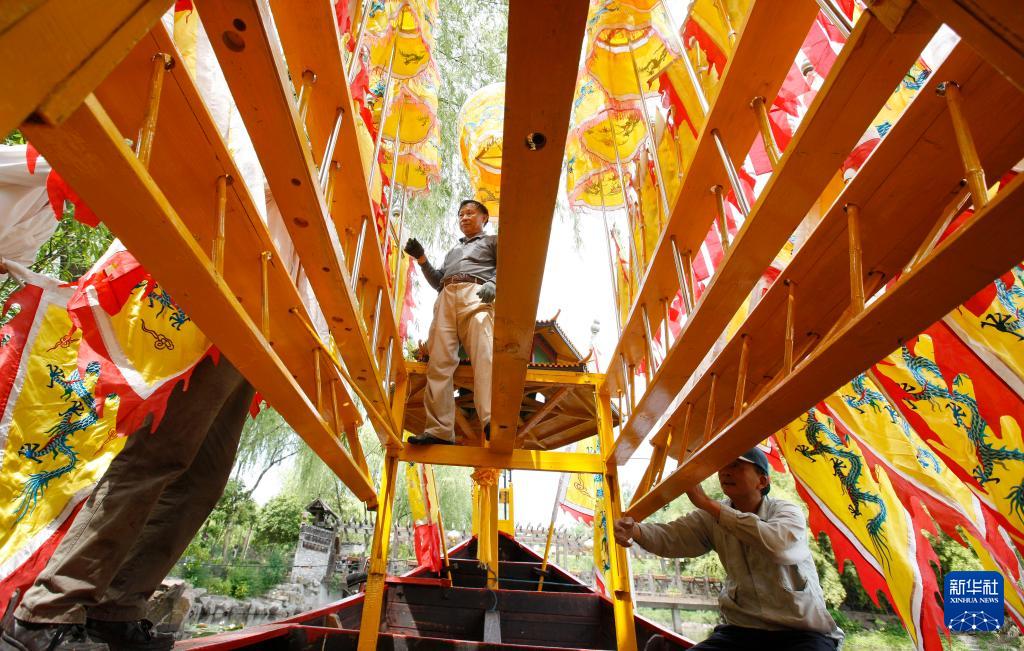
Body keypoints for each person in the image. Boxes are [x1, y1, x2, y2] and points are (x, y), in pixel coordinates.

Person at [2, 356, 255, 651]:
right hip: (224, 336)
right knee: (158, 451)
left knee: (202, 481)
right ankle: (47, 612)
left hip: (263, 345)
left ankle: (114, 611)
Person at [614, 448, 844, 650]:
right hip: (742, 632)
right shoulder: (711, 516)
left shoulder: (787, 512)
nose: (725, 471)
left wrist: (707, 504)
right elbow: (672, 537)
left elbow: (777, 545)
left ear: (762, 481)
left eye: (736, 465)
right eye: (723, 466)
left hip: (801, 633)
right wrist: (635, 531)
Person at [403, 199, 496, 445]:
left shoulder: (493, 241)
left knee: (485, 352)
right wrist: (421, 258)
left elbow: (510, 266)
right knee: (439, 362)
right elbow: (437, 281)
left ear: (484, 217)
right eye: (460, 214)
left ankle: (492, 419)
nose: (464, 217)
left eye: (470, 213)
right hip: (446, 296)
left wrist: (494, 283)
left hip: (476, 293)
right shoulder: (453, 251)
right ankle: (439, 430)